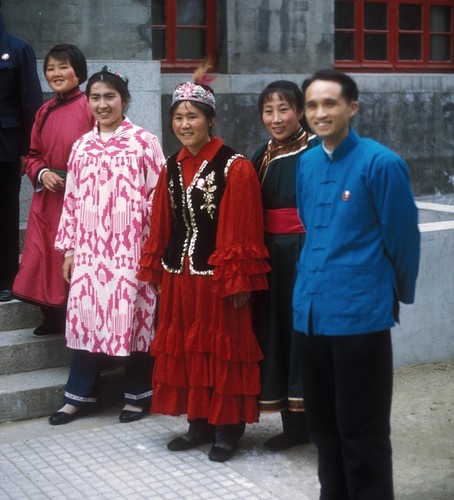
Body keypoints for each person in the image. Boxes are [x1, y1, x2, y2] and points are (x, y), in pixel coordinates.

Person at [293, 69, 420, 499]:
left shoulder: (381, 163)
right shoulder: (306, 162)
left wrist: (394, 295)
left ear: (352, 108)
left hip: (360, 316)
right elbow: (311, 225)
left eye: (330, 103)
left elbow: (403, 239)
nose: (320, 112)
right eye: (312, 105)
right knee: (323, 428)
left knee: (361, 430)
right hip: (309, 314)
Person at [137, 62, 270, 463]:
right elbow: (161, 223)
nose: (184, 124)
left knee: (222, 350)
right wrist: (156, 269)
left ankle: (228, 430)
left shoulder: (236, 167)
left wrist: (238, 281)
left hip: (219, 280)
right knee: (188, 351)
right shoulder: (171, 167)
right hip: (180, 278)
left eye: (192, 116)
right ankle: (198, 423)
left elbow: (241, 230)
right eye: (177, 117)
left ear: (210, 120)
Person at [48, 66, 165, 426]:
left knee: (134, 319)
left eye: (109, 97)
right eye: (95, 97)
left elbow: (160, 197)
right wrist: (69, 250)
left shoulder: (144, 141)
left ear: (124, 100)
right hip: (89, 250)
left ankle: (137, 394)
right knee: (84, 319)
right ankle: (78, 395)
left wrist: (153, 247)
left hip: (132, 250)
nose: (102, 104)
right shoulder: (81, 145)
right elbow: (71, 199)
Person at [251, 81, 319, 451]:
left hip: (306, 255)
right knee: (277, 334)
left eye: (284, 109)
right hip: (272, 258)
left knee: (307, 336)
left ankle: (323, 425)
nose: (276, 119)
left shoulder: (317, 150)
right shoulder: (261, 155)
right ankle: (294, 428)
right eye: (268, 111)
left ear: (300, 111)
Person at [12, 44, 94, 335]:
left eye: (63, 66)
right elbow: (33, 155)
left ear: (79, 72)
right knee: (44, 255)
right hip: (47, 198)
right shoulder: (43, 112)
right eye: (50, 68)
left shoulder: (90, 106)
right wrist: (42, 172)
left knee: (72, 257)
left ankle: (75, 317)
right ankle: (52, 318)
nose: (56, 73)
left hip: (79, 199)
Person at [0, 12, 42, 302]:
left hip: (6, 147)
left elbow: (31, 104)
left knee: (4, 214)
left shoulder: (17, 49)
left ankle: (5, 279)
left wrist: (26, 151)